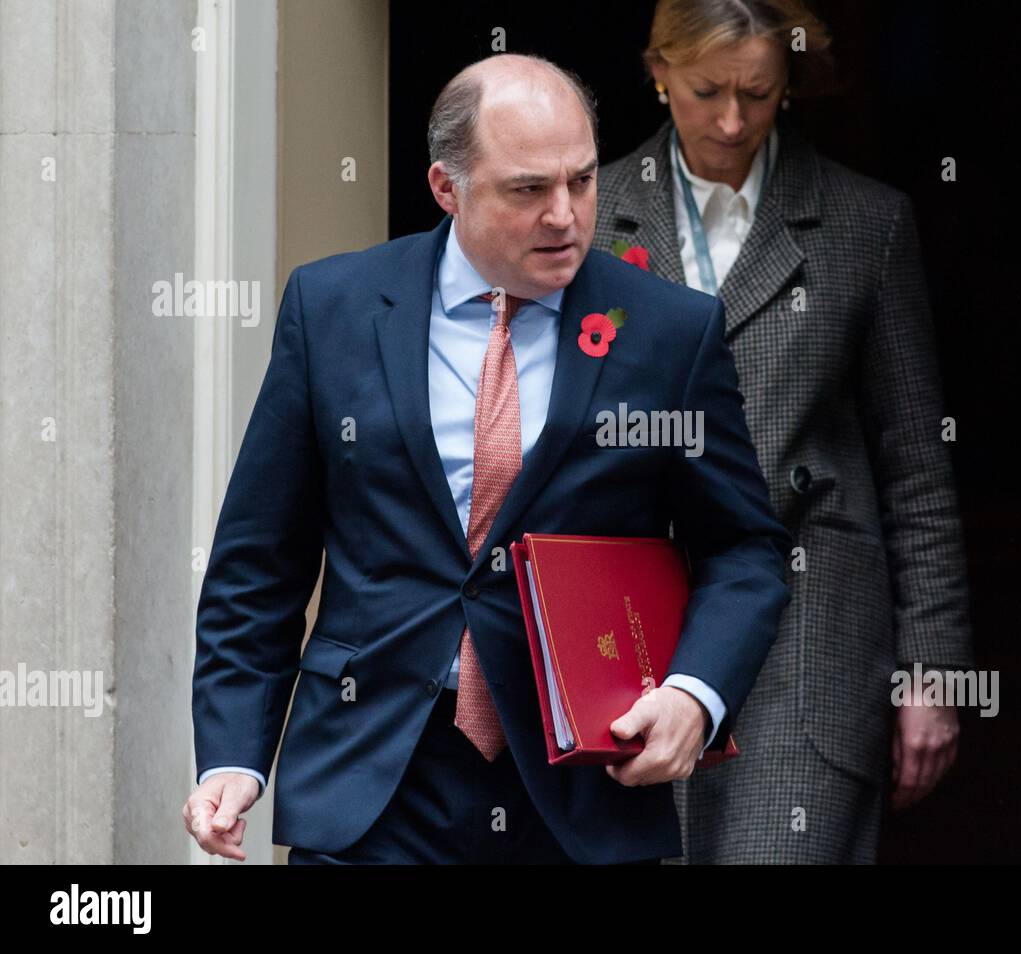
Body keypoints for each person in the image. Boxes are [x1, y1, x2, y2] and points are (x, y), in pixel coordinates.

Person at [183, 53, 791, 865]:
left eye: (580, 181)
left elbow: (744, 549)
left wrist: (694, 694)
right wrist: (233, 755)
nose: (566, 216)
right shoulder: (331, 308)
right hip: (371, 785)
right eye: (528, 189)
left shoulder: (669, 331)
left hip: (582, 788)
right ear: (446, 187)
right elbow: (259, 560)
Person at [593, 0, 974, 863]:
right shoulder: (590, 210)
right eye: (706, 91)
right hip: (629, 622)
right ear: (657, 71)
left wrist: (934, 670)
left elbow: (916, 465)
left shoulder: (865, 223)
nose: (733, 121)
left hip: (809, 631)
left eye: (759, 95)